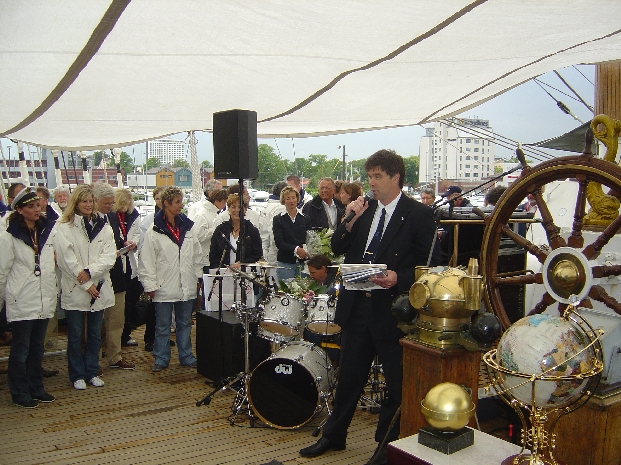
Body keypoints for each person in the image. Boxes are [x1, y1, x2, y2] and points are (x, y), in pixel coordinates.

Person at [300, 149, 438, 465]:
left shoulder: (418, 214)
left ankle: (385, 447)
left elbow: (431, 265)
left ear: (395, 177)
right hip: (357, 307)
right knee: (348, 377)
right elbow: (336, 247)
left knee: (395, 386)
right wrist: (349, 221)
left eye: (377, 176)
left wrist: (399, 278)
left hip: (392, 312)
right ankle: (333, 435)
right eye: (370, 176)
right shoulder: (363, 210)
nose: (371, 183)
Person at [54, 184, 116, 390]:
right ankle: (77, 374)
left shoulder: (104, 226)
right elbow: (66, 260)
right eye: (84, 201)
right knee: (75, 334)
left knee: (95, 334)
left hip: (98, 286)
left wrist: (90, 272)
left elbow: (109, 256)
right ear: (76, 203)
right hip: (77, 287)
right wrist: (86, 283)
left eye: (90, 201)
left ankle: (92, 370)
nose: (88, 205)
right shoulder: (64, 227)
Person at [0, 188, 57, 408]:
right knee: (21, 349)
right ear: (20, 210)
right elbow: (2, 271)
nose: (36, 210)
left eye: (38, 205)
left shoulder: (47, 232)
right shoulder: (9, 236)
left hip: (43, 297)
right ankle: (19, 391)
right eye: (31, 206)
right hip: (22, 298)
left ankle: (36, 387)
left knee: (37, 347)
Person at [138, 186, 202, 373]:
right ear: (166, 203)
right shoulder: (154, 230)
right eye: (177, 202)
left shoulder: (188, 227)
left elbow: (197, 255)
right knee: (162, 325)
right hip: (163, 285)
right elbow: (147, 260)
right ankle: (161, 357)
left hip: (186, 283)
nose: (181, 206)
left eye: (181, 202)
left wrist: (198, 277)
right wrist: (149, 285)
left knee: (185, 323)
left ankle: (186, 356)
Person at [93, 182, 136, 371]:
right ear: (96, 200)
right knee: (94, 321)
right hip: (96, 275)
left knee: (117, 317)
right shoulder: (87, 219)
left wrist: (123, 244)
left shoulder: (111, 216)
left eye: (112, 203)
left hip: (116, 273)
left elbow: (115, 239)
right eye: (106, 203)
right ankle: (93, 357)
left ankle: (115, 355)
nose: (110, 206)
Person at [113, 188, 142, 348]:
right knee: (118, 304)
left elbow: (138, 233)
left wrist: (134, 242)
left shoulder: (133, 215)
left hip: (130, 261)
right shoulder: (111, 216)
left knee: (131, 296)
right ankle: (117, 336)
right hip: (116, 262)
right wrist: (121, 242)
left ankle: (126, 332)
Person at [209, 194, 263, 269]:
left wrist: (242, 263)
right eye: (233, 207)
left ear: (245, 209)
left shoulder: (252, 231)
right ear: (228, 209)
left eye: (240, 207)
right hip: (224, 273)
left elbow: (257, 255)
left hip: (245, 273)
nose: (237, 210)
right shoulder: (220, 230)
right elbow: (213, 255)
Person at [272, 186, 312, 280]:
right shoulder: (278, 219)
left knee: (304, 288)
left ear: (297, 199)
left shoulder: (306, 218)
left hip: (303, 263)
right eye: (288, 198)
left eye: (293, 197)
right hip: (285, 263)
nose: (291, 201)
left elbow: (310, 239)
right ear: (283, 200)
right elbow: (279, 242)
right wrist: (296, 249)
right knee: (287, 288)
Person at [259, 181, 287, 266]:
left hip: (264, 250)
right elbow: (274, 234)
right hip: (274, 254)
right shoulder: (281, 208)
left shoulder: (266, 207)